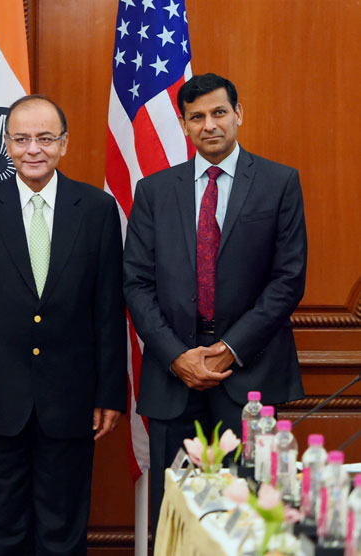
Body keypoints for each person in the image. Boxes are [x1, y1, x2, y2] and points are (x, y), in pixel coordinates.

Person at [0, 94, 127, 555]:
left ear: (64, 143)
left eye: (45, 138)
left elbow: (108, 308)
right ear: (7, 145)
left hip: (71, 402)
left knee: (62, 534)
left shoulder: (97, 209)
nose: (33, 149)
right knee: (1, 533)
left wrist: (109, 393)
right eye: (22, 139)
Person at [123, 73, 307, 536]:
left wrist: (229, 349)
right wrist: (177, 356)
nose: (209, 125)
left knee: (251, 523)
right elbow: (136, 283)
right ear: (183, 124)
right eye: (197, 117)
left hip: (250, 376)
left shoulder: (279, 182)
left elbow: (288, 281)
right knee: (177, 522)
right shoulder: (154, 191)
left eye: (219, 112)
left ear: (238, 114)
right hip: (173, 378)